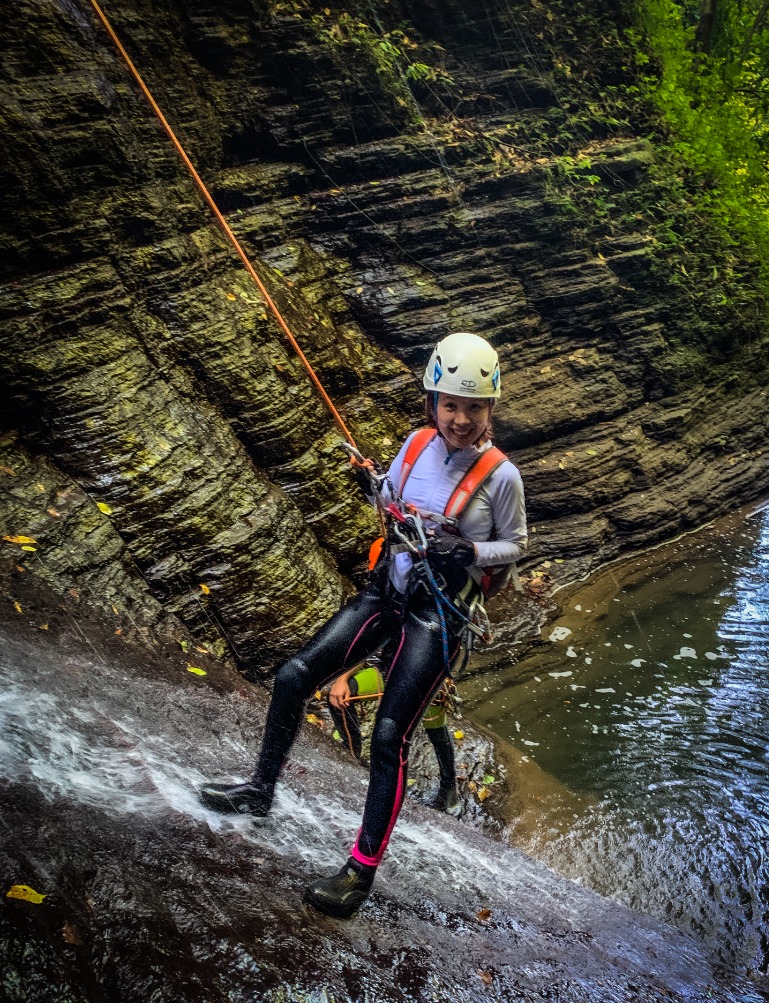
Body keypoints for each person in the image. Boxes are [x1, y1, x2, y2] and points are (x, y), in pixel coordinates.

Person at [199, 332, 527, 917]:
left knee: (388, 735)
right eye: (450, 404)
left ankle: (359, 872)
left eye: (473, 407)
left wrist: (471, 555)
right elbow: (394, 498)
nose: (460, 418)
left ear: (490, 410)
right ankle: (258, 790)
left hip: (437, 616)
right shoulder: (417, 442)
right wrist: (373, 485)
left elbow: (516, 544)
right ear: (433, 402)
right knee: (294, 675)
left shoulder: (502, 477)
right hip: (389, 592)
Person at [327, 659, 463, 817]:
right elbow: (368, 646)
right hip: (387, 673)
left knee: (438, 734)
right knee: (338, 699)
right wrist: (342, 679)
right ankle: (353, 755)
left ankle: (449, 785)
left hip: (426, 679)